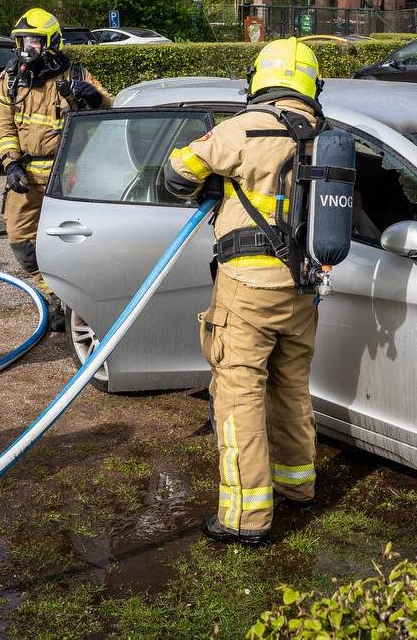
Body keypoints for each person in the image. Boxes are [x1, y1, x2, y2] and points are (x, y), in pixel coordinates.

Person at [162, 37, 324, 546]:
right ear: (310, 85)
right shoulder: (324, 136)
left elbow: (175, 174)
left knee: (239, 396)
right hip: (302, 287)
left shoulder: (242, 128)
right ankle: (297, 485)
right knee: (291, 387)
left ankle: (245, 516)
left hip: (247, 288)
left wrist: (211, 174)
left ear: (260, 80)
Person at [0, 8, 111, 330]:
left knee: (73, 241)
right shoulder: (10, 81)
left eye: (33, 41)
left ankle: (78, 303)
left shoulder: (76, 76)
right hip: (27, 175)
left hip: (68, 173)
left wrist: (92, 98)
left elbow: (110, 107)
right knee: (20, 239)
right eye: (21, 42)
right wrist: (12, 165)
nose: (25, 49)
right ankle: (52, 296)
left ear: (52, 42)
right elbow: (4, 129)